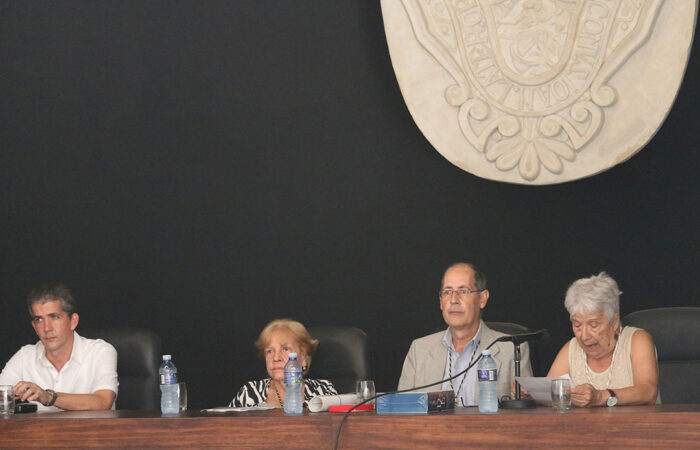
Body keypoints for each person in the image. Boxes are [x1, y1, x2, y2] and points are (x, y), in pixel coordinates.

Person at [398, 263, 532, 406]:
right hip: (431, 428)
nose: (454, 299)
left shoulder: (511, 349)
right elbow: (401, 408)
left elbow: (525, 410)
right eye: (447, 292)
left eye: (463, 291)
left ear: (482, 298)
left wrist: (525, 397)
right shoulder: (419, 350)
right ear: (441, 302)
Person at [0, 285, 118, 411]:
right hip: (37, 431)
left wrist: (48, 397)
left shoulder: (100, 351)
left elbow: (103, 402)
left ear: (73, 321)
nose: (47, 328)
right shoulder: (25, 356)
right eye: (39, 319)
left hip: (90, 431)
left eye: (54, 317)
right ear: (34, 326)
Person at [547, 272, 659, 407]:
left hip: (638, 426)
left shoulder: (637, 341)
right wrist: (528, 394)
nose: (584, 336)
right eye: (577, 325)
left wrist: (601, 396)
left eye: (593, 325)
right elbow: (547, 391)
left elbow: (648, 392)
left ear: (614, 322)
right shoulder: (571, 349)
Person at [229, 319, 338, 408]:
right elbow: (226, 430)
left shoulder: (323, 390)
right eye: (270, 351)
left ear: (303, 357)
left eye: (285, 349)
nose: (276, 358)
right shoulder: (249, 393)